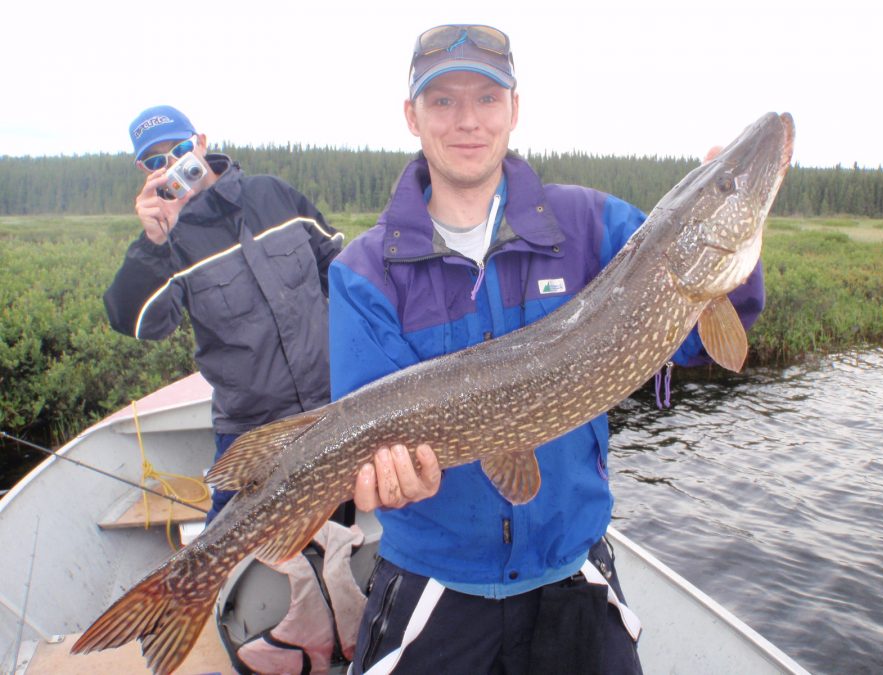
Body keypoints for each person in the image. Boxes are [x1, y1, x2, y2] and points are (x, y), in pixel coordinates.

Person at [328, 24, 765, 674]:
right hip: (434, 580)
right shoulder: (363, 273)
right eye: (443, 101)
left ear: (515, 108)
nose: (467, 120)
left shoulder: (590, 224)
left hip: (571, 569)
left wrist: (739, 247)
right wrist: (386, 484)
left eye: (487, 98)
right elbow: (366, 444)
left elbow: (706, 345)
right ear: (412, 117)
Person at [104, 105, 344, 522]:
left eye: (179, 150)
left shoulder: (272, 194)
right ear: (145, 171)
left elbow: (343, 276)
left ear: (201, 143)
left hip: (331, 404)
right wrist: (153, 243)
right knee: (230, 542)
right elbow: (140, 323)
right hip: (250, 431)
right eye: (156, 161)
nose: (172, 164)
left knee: (339, 524)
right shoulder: (168, 240)